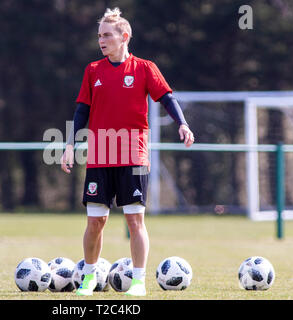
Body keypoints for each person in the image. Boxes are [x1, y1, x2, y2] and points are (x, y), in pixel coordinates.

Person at [60, 7, 194, 297]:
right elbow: (82, 110)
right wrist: (70, 144)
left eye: (107, 35)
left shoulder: (145, 68)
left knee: (135, 220)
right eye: (99, 35)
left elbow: (167, 98)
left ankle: (138, 281)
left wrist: (182, 124)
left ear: (125, 36)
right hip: (99, 154)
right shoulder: (92, 71)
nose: (101, 40)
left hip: (134, 155)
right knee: (96, 221)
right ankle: (89, 278)